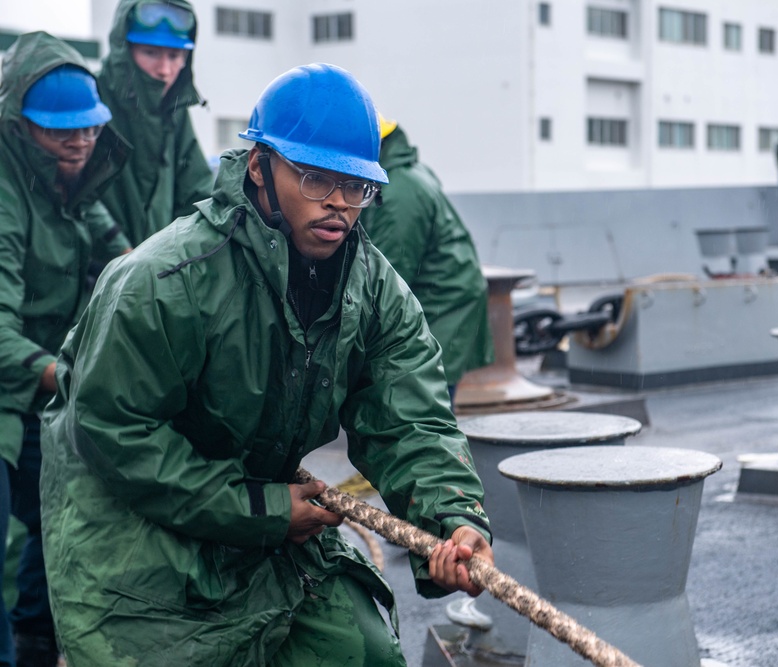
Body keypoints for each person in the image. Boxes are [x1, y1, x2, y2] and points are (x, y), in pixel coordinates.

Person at [40, 63, 494, 666]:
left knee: (365, 656)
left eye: (356, 186)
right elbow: (113, 433)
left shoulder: (375, 291)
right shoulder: (164, 281)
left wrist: (454, 518)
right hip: (134, 537)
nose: (338, 203)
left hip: (263, 516)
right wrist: (264, 509)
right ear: (259, 167)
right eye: (314, 178)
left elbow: (411, 420)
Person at [0, 32, 131, 667]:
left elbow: (123, 259)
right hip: (17, 375)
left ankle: (35, 640)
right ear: (21, 128)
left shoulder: (71, 182)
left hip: (38, 378)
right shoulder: (6, 192)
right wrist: (73, 375)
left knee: (58, 515)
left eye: (88, 130)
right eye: (61, 132)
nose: (80, 143)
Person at [359, 116, 493, 403]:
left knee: (421, 400)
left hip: (440, 309)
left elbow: (389, 274)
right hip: (445, 299)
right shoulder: (406, 172)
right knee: (430, 396)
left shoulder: (398, 192)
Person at [97, 0, 213, 245]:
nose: (165, 69)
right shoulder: (92, 100)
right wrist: (116, 250)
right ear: (123, 49)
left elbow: (198, 195)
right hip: (93, 273)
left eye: (175, 55)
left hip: (155, 273)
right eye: (150, 52)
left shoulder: (175, 109)